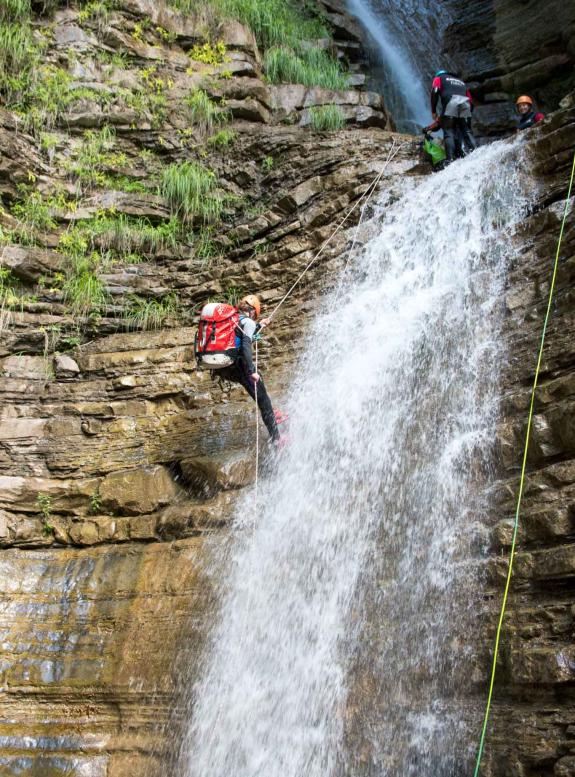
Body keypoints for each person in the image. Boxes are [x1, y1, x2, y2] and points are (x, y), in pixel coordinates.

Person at [218, 294, 283, 444]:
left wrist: (260, 325)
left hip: (226, 367)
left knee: (259, 391)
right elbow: (246, 345)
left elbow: (240, 335)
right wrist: (251, 371)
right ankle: (277, 439)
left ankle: (273, 415)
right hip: (239, 364)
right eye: (256, 316)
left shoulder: (233, 320)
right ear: (253, 310)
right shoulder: (247, 322)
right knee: (263, 399)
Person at [430, 69, 477, 164]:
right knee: (466, 131)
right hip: (465, 104)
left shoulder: (439, 78)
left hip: (451, 103)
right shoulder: (461, 82)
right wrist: (466, 118)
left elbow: (435, 91)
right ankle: (476, 153)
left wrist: (434, 111)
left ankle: (450, 160)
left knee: (449, 132)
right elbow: (471, 101)